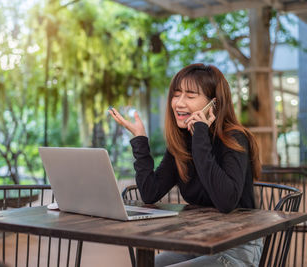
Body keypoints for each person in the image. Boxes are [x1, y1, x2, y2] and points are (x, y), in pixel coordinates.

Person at [109, 63, 263, 267]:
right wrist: (140, 140)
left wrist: (200, 133)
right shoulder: (181, 141)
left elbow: (226, 201)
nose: (179, 103)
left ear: (213, 105)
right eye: (176, 94)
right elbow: (149, 193)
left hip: (238, 246)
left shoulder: (234, 138)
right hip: (198, 243)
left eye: (190, 96)